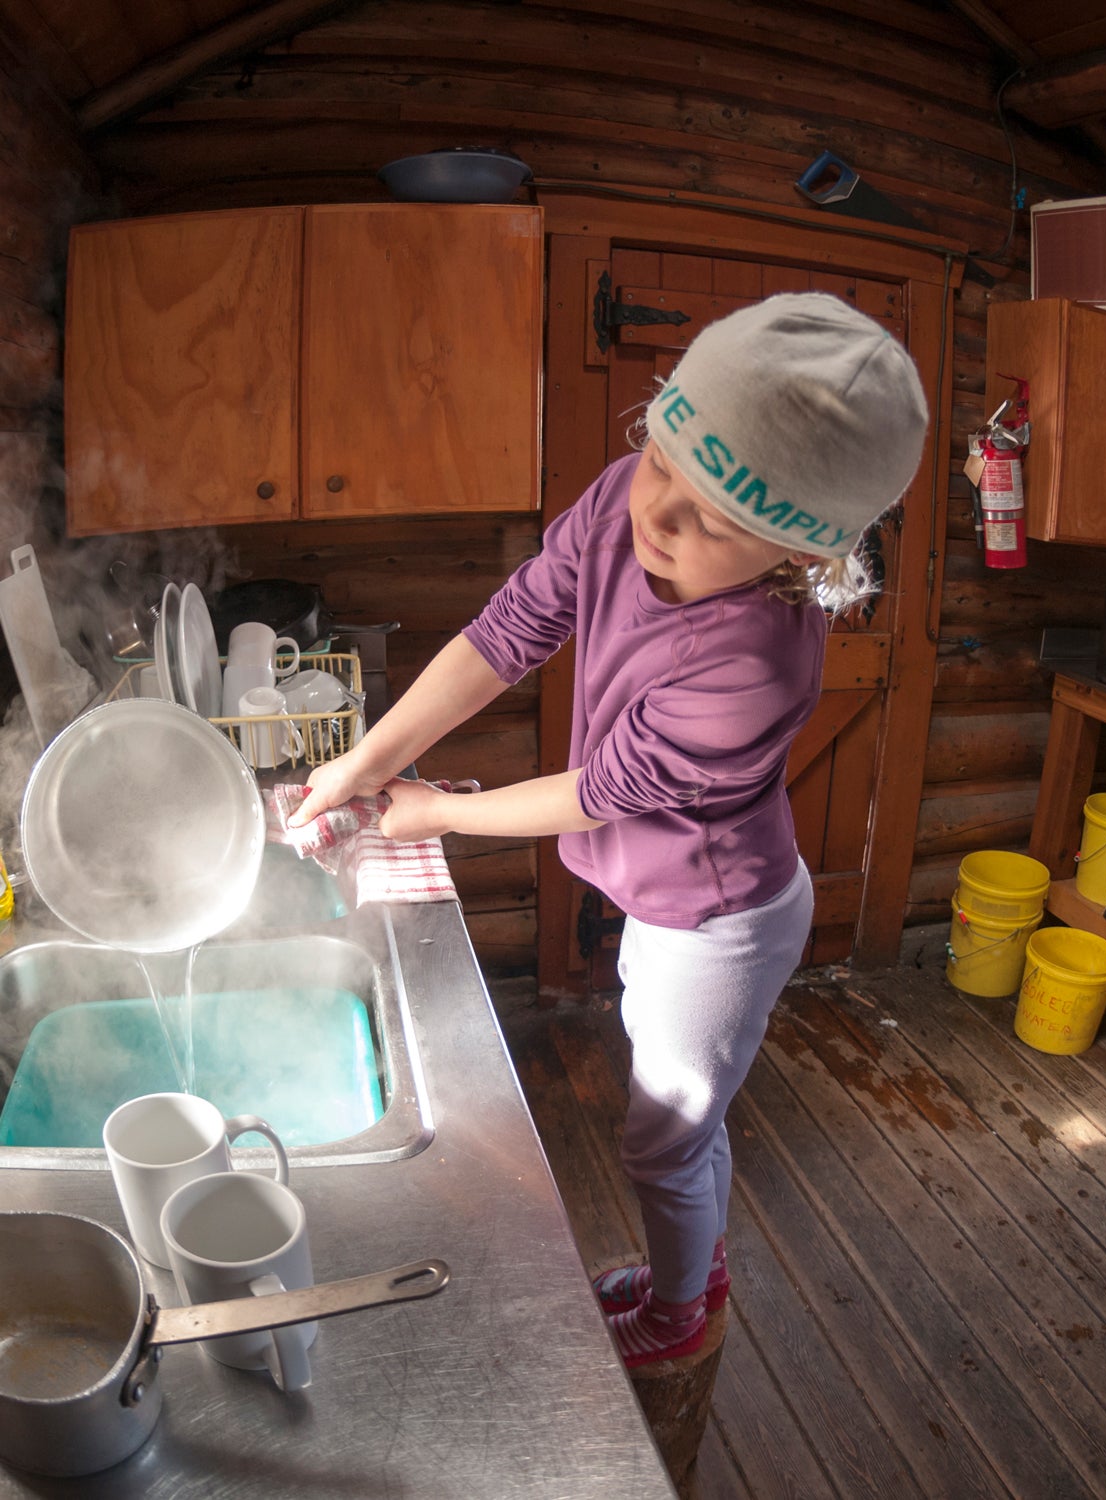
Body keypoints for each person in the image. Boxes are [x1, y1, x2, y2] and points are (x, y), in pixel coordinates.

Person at [290, 292, 929, 1367]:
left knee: (662, 1136)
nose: (658, 516)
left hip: (718, 919)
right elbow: (508, 632)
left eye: (709, 521)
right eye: (659, 459)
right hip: (658, 895)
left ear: (795, 555)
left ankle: (682, 1318)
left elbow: (605, 790)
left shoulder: (759, 660)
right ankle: (703, 1264)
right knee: (689, 1121)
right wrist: (369, 759)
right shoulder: (623, 504)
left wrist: (438, 807)